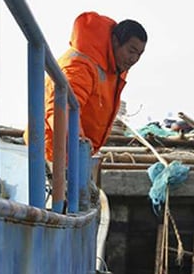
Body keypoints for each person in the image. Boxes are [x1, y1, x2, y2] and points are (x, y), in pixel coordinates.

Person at [44, 12, 147, 162]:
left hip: (76, 157)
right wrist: (79, 145)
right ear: (115, 42)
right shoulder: (81, 66)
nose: (134, 59)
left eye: (139, 54)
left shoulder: (115, 69)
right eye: (131, 51)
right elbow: (61, 109)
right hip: (53, 155)